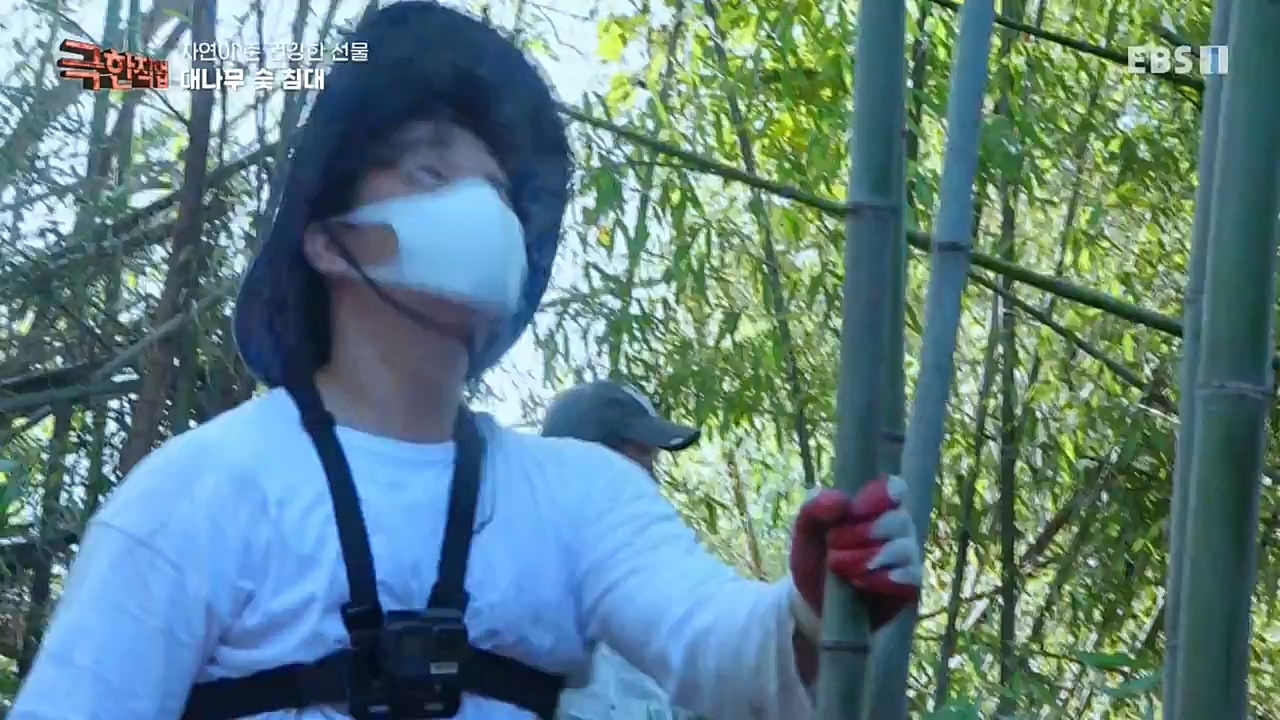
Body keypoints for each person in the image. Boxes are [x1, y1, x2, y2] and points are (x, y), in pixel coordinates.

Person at [9, 3, 923, 719]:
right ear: (329, 241)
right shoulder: (197, 494)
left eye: (496, 190)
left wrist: (813, 606)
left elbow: (725, 652)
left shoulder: (579, 497)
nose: (485, 211)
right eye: (431, 175)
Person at [539, 380, 703, 719]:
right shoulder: (515, 595)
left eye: (652, 465)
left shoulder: (654, 588)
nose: (651, 481)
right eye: (638, 461)